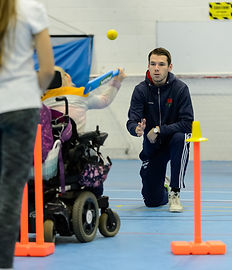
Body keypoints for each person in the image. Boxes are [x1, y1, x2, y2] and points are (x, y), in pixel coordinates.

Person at [0, 0, 54, 268]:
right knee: (10, 190)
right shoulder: (31, 9)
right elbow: (47, 70)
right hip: (20, 108)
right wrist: (30, 92)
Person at [126, 47, 194, 212]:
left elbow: (187, 123)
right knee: (152, 201)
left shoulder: (180, 89)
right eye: (153, 64)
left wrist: (158, 130)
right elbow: (131, 121)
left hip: (173, 140)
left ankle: (175, 193)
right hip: (152, 146)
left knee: (182, 137)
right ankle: (163, 187)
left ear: (170, 67)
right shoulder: (140, 90)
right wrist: (137, 129)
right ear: (148, 66)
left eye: (161, 64)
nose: (157, 68)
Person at [42, 66, 126, 133]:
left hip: (49, 147)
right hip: (76, 147)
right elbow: (105, 100)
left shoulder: (41, 102)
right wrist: (117, 81)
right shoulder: (81, 94)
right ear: (68, 78)